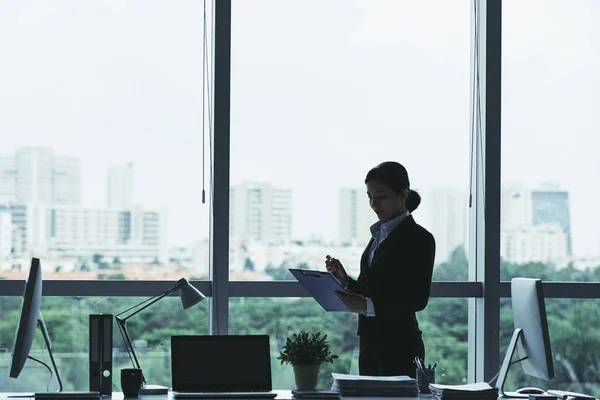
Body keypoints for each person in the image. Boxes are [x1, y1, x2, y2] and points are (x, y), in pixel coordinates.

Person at [325, 161, 436, 378]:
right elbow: (372, 289)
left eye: (381, 196)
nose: (374, 204)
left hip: (400, 346)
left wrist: (368, 305)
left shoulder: (420, 239)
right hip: (369, 344)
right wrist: (345, 280)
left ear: (403, 195)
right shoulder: (378, 236)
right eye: (370, 197)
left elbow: (417, 299)